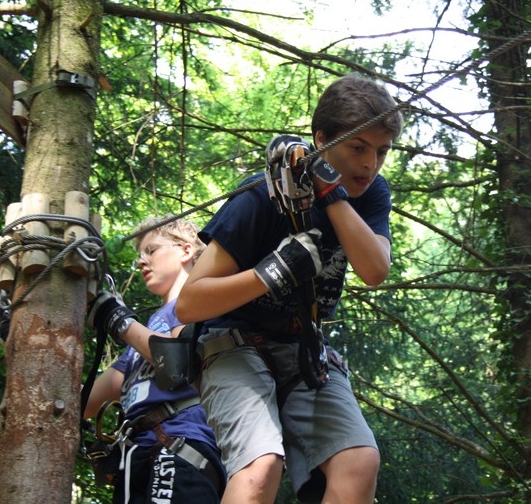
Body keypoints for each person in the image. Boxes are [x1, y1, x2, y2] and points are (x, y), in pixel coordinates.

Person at [175, 73, 404, 504]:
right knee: (261, 468)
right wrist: (272, 273)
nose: (371, 164)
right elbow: (190, 303)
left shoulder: (369, 194)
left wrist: (329, 191)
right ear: (321, 139)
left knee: (358, 463)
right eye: (358, 147)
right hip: (233, 345)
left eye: (382, 152)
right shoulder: (260, 199)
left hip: (305, 349)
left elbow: (375, 269)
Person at [85, 215, 226, 503]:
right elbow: (84, 404)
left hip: (182, 447)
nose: (141, 261)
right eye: (140, 254)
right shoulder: (146, 331)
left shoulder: (201, 302)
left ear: (186, 250)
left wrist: (118, 321)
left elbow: (177, 362)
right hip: (137, 456)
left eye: (151, 250)